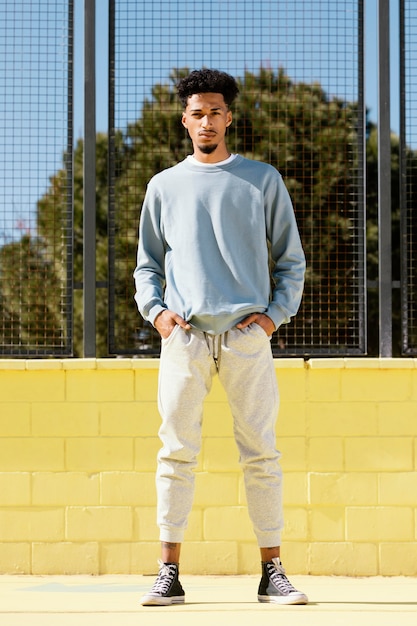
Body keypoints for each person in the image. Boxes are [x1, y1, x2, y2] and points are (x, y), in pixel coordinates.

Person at [133, 68, 307, 606]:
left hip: (246, 337)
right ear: (184, 120)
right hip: (183, 339)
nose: (206, 120)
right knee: (175, 452)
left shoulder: (262, 179)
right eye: (197, 112)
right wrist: (158, 315)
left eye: (215, 111)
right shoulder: (163, 186)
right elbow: (146, 266)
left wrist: (272, 318)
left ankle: (272, 570)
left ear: (228, 117)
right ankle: (168, 573)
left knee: (261, 453)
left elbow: (291, 262)